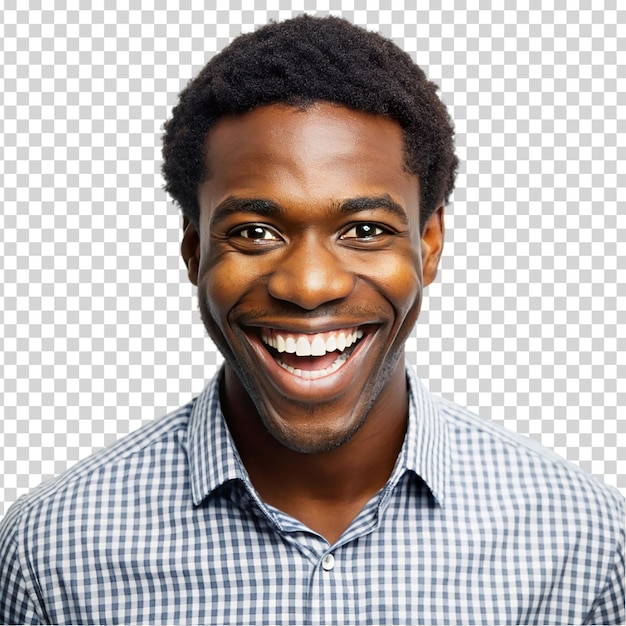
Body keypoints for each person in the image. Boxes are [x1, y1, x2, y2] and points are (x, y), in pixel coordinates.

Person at [0, 14, 623, 625]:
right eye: (255, 232)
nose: (308, 286)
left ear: (428, 245)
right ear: (194, 251)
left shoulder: (582, 542)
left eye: (364, 230)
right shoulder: (51, 553)